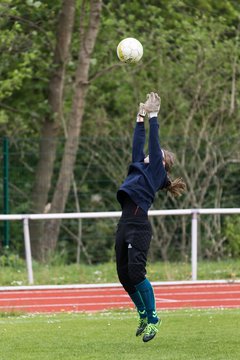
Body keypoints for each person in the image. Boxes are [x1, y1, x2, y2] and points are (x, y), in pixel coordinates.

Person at [115, 92, 186, 342]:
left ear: (162, 164)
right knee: (123, 275)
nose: (154, 153)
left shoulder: (155, 170)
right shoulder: (139, 166)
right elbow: (139, 142)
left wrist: (154, 116)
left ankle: (154, 319)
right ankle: (143, 314)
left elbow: (154, 145)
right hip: (125, 223)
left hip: (139, 226)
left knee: (136, 273)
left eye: (160, 155)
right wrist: (140, 115)